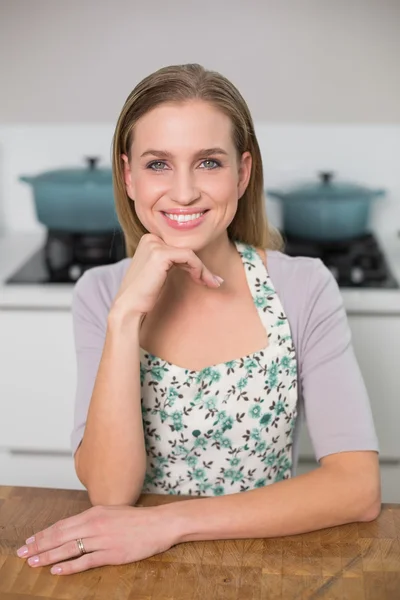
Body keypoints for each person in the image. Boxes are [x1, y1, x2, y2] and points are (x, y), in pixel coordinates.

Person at [16, 63, 380, 575]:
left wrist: (169, 524)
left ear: (243, 172)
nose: (184, 192)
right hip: (130, 572)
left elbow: (358, 487)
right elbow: (110, 493)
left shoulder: (303, 287)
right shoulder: (100, 293)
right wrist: (126, 317)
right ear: (128, 176)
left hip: (265, 563)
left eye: (209, 162)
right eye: (158, 164)